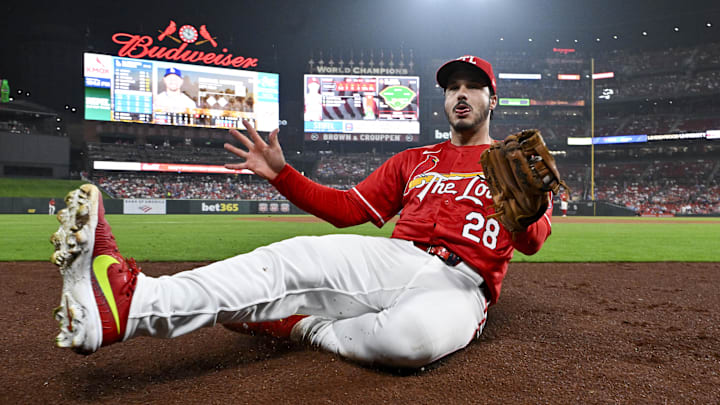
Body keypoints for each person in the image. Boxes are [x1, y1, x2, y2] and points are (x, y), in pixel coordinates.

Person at [51, 55, 554, 368]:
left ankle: (299, 324)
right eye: (452, 88)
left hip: (465, 285)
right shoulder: (414, 160)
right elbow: (345, 210)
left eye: (472, 86)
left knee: (409, 344)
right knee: (291, 260)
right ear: (443, 100)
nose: (460, 95)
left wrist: (526, 213)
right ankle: (128, 302)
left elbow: (532, 243)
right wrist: (282, 176)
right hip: (395, 259)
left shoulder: (518, 164)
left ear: (493, 98)